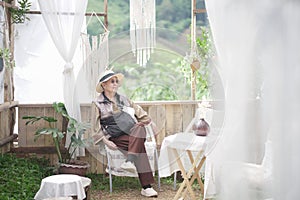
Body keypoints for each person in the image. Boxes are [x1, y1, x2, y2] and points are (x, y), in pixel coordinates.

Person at [91, 69, 158, 197]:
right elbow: (95, 127)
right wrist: (106, 141)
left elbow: (140, 112)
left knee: (140, 127)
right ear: (104, 85)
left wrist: (150, 122)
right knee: (140, 147)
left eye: (116, 81)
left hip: (131, 131)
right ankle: (146, 187)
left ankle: (129, 160)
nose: (115, 84)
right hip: (116, 136)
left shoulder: (124, 99)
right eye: (112, 81)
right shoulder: (97, 104)